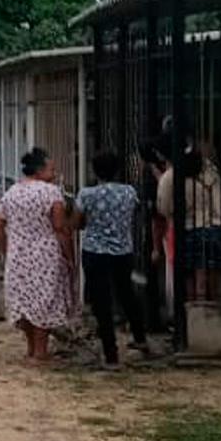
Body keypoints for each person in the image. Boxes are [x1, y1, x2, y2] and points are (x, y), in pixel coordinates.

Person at [0, 148, 75, 365]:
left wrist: (5, 249)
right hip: (45, 255)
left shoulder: (12, 192)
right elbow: (60, 227)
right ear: (39, 171)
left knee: (24, 301)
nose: (55, 174)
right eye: (52, 170)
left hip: (18, 255)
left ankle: (31, 348)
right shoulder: (51, 193)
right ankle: (40, 351)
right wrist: (69, 256)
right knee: (44, 301)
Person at [74, 152, 149, 368]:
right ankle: (140, 338)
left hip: (95, 252)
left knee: (102, 302)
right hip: (123, 251)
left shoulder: (86, 194)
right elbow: (134, 213)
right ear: (117, 170)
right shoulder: (129, 192)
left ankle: (111, 355)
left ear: (94, 171)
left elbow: (77, 223)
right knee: (127, 294)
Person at [157, 147, 221, 301]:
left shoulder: (170, 177)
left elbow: (163, 208)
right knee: (216, 277)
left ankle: (194, 312)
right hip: (217, 227)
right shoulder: (211, 171)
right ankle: (216, 310)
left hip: (189, 228)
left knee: (192, 279)